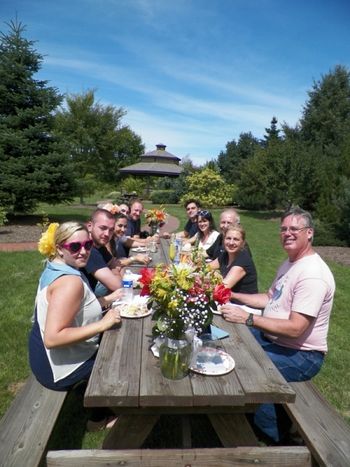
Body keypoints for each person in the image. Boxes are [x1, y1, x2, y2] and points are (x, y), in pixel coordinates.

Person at [220, 207, 335, 443]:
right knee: (229, 340)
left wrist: (249, 318)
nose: (287, 233)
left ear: (309, 233)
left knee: (252, 369)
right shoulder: (291, 263)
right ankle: (241, 411)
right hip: (274, 339)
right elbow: (269, 299)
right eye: (283, 229)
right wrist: (233, 296)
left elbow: (296, 328)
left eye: (294, 229)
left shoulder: (313, 274)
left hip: (301, 355)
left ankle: (276, 438)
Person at [29, 222, 122, 392]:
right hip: (59, 370)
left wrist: (107, 299)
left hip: (42, 359)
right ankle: (103, 415)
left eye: (88, 245)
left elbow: (76, 307)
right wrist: (103, 324)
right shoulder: (70, 283)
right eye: (74, 247)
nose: (84, 252)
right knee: (122, 361)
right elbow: (52, 338)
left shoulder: (55, 266)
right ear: (58, 248)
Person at [209, 224, 258, 304]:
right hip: (230, 303)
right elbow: (205, 268)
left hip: (244, 307)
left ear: (243, 243)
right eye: (228, 238)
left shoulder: (243, 260)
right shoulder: (225, 255)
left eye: (236, 239)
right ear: (223, 240)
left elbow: (221, 288)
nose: (231, 242)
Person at [81, 208, 122, 293]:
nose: (107, 234)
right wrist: (115, 270)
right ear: (90, 226)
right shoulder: (88, 249)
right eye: (103, 228)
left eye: (111, 230)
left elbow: (113, 262)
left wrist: (113, 268)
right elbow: (117, 286)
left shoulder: (99, 245)